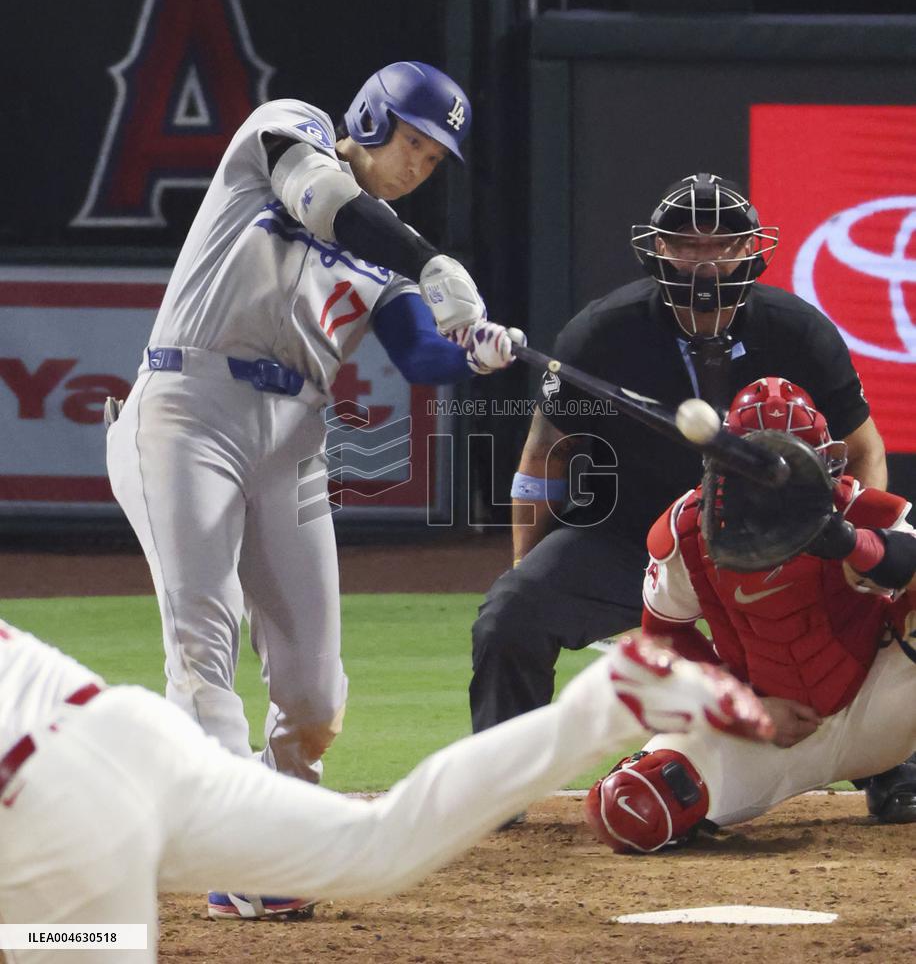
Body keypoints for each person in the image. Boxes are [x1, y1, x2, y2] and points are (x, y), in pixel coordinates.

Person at [105, 60, 524, 919]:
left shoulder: (389, 255)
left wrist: (480, 354)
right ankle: (239, 846)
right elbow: (328, 205)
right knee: (202, 642)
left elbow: (419, 355)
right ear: (369, 118)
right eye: (412, 140)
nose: (419, 162)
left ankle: (280, 823)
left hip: (292, 435)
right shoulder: (285, 131)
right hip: (188, 408)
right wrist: (434, 257)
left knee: (316, 690)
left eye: (436, 156)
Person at [467, 172, 916, 824]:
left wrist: (854, 549)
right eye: (686, 242)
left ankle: (894, 770)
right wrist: (525, 572)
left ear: (751, 249)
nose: (705, 259)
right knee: (511, 615)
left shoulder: (799, 332)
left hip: (784, 540)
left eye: (722, 243)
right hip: (632, 538)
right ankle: (498, 790)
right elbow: (543, 459)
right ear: (656, 249)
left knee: (884, 608)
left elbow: (863, 447)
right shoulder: (601, 334)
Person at [0, 617, 771, 962]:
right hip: (126, 731)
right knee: (375, 847)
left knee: (73, 940)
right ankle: (611, 698)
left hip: (53, 806)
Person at [583, 377, 916, 853]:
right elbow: (661, 644)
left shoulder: (861, 511)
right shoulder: (687, 532)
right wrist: (741, 709)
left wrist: (850, 543)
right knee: (629, 807)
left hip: (878, 708)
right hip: (770, 732)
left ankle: (897, 770)